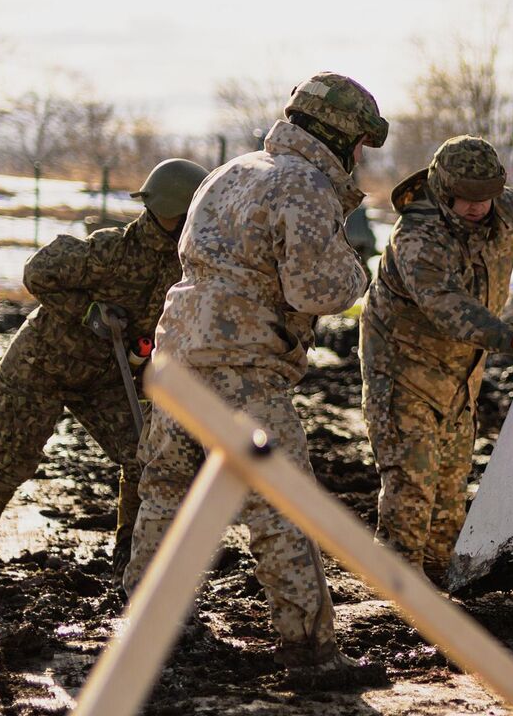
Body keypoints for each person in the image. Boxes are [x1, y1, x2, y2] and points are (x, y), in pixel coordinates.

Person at [121, 72, 382, 680]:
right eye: (361, 145)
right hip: (242, 369)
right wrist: (358, 272)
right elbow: (316, 289)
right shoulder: (305, 186)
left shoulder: (229, 172)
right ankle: (310, 653)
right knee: (280, 505)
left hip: (176, 354)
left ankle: (145, 625)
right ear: (345, 138)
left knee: (165, 493)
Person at [0, 158, 207, 601]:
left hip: (104, 381)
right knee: (11, 461)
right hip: (39, 368)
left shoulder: (185, 267)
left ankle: (130, 559)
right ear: (171, 212)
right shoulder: (110, 251)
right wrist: (89, 313)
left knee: (142, 459)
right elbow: (37, 271)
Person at [362, 135, 513, 581]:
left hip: (461, 377)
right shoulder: (417, 235)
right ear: (442, 189)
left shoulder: (511, 211)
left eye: (486, 196)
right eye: (466, 198)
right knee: (411, 490)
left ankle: (439, 590)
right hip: (402, 374)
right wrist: (512, 338)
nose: (478, 207)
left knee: (450, 494)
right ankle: (394, 595)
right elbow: (446, 307)